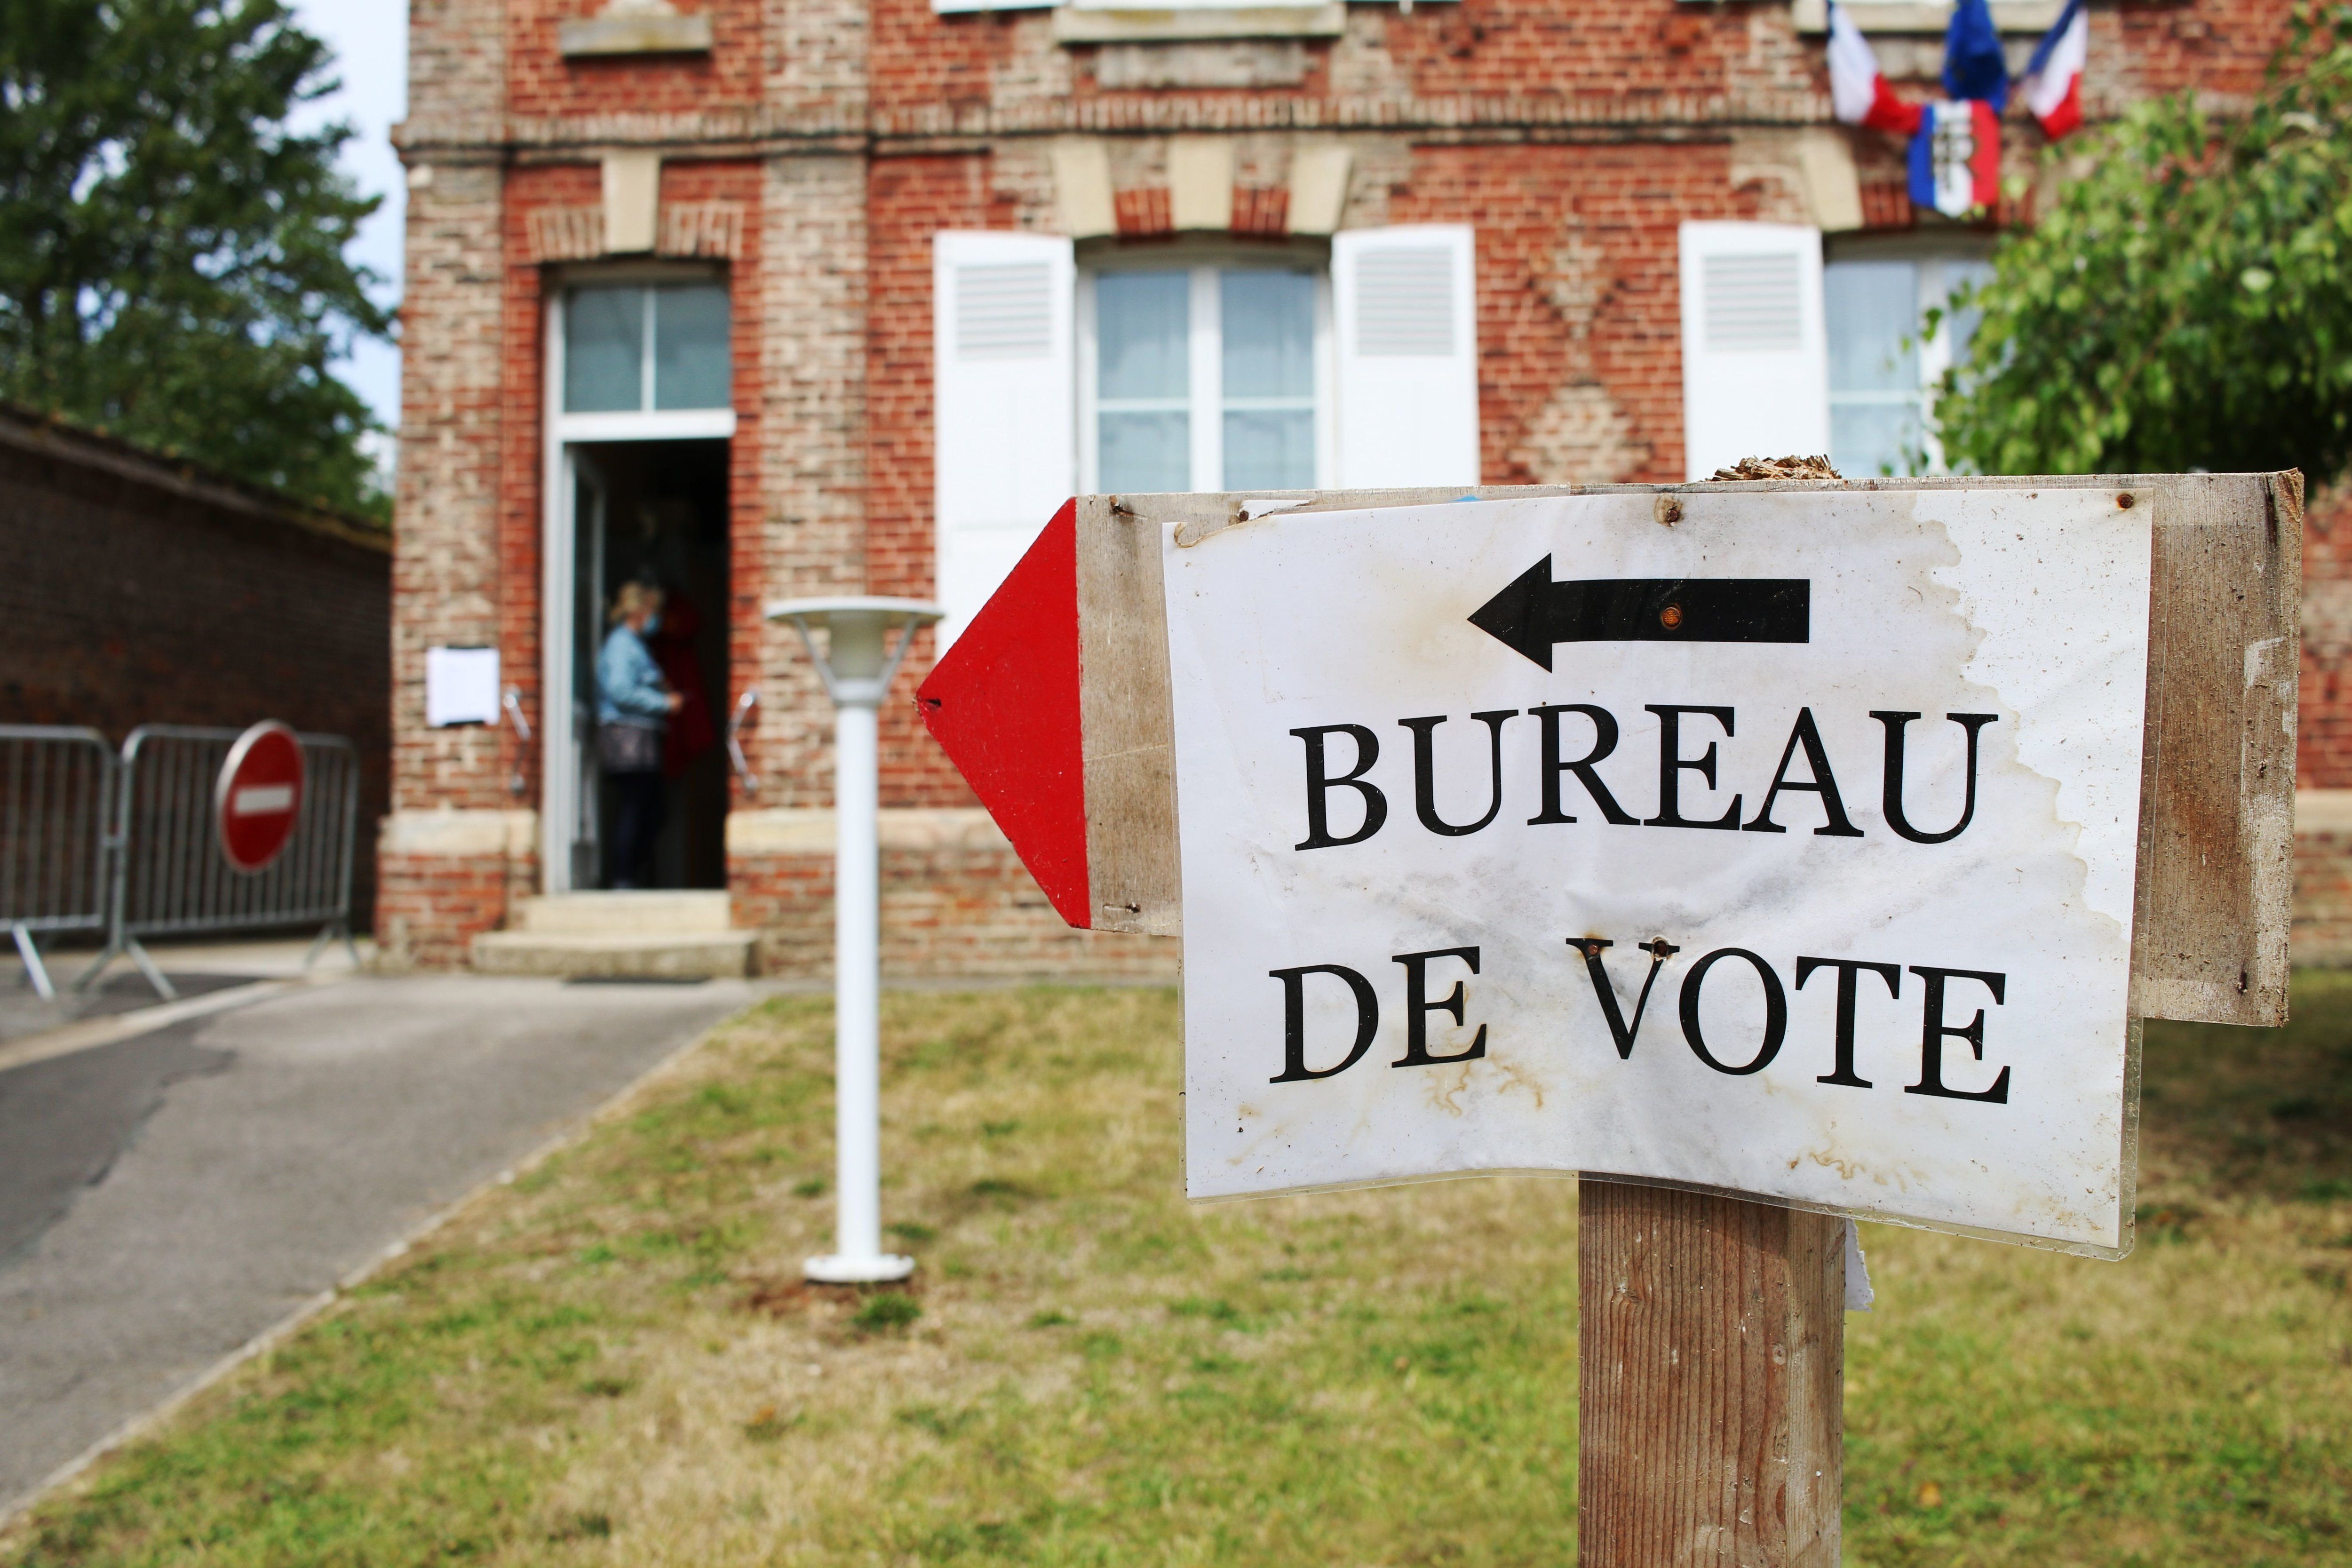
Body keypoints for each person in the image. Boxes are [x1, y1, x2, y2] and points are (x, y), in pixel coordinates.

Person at [596, 581, 682, 889]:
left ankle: (632, 876)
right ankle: (624, 878)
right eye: (652, 611)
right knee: (637, 808)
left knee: (650, 810)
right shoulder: (622, 645)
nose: (655, 618)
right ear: (638, 610)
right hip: (627, 737)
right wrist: (662, 702)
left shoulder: (634, 644)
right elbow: (620, 691)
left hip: (640, 735)